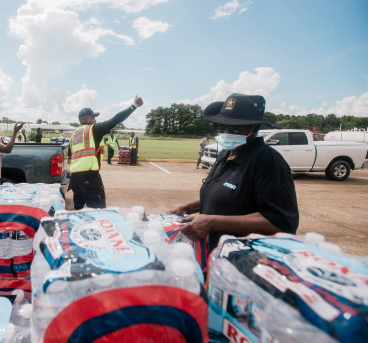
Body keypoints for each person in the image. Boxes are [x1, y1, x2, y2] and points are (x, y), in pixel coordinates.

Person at [168, 93, 299, 256]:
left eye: (235, 128)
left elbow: (281, 222)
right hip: (216, 254)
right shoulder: (226, 153)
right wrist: (188, 207)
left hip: (244, 258)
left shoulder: (267, 160)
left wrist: (212, 222)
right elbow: (228, 195)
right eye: (220, 127)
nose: (226, 132)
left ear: (255, 128)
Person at [70, 95, 144, 209]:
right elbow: (114, 120)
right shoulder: (92, 129)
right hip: (89, 176)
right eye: (93, 117)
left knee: (78, 209)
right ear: (85, 119)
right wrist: (134, 106)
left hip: (74, 177)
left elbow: (73, 154)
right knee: (98, 210)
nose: (95, 120)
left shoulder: (74, 134)